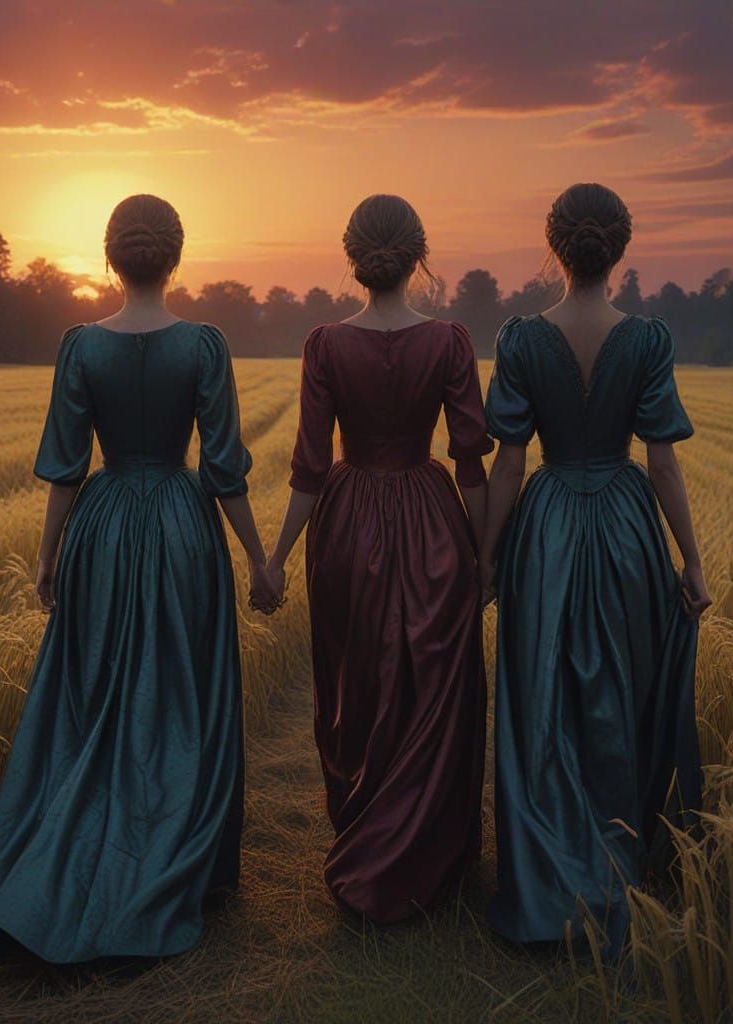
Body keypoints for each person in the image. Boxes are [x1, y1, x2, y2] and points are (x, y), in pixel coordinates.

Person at [0, 194, 269, 963]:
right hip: (179, 528)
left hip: (100, 531)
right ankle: (174, 861)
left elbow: (65, 467)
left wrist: (47, 555)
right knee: (179, 695)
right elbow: (224, 471)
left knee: (90, 700)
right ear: (175, 256)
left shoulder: (79, 347)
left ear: (109, 257)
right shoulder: (204, 345)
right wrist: (261, 560)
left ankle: (54, 870)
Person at [479, 182, 711, 955]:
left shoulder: (519, 339)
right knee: (617, 698)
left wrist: (487, 559)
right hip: (621, 525)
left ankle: (544, 881)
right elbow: (664, 465)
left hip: (545, 531)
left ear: (556, 249)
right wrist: (691, 559)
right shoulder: (646, 340)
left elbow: (509, 464)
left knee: (543, 701)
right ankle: (617, 871)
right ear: (620, 251)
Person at [254, 194, 493, 923]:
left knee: (356, 682)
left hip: (350, 523)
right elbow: (471, 462)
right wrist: (484, 560)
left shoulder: (325, 345)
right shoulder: (450, 341)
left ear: (353, 256)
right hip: (430, 519)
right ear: (417, 255)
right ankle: (428, 861)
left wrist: (277, 560)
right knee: (434, 688)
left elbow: (308, 468)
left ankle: (364, 847)